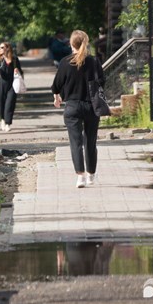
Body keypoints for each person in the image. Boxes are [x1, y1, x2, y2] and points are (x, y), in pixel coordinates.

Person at [51, 30, 105, 188]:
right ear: (86, 42)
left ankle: (80, 177)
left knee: (76, 143)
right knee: (90, 141)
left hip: (72, 106)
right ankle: (91, 176)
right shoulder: (94, 61)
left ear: (71, 44)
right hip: (92, 106)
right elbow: (102, 81)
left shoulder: (64, 62)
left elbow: (56, 85)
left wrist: (57, 97)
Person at [0, 41, 23, 132]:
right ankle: (2, 119)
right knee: (1, 103)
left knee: (9, 104)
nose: (0, 49)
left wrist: (17, 71)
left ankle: (8, 123)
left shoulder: (14, 59)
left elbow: (20, 71)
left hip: (12, 84)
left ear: (8, 48)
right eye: (0, 47)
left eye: (2, 47)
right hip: (2, 84)